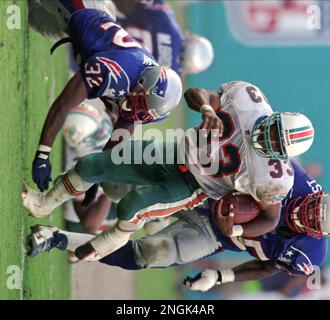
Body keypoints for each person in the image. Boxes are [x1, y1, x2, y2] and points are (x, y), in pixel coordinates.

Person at [22, 81, 314, 261]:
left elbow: (272, 217)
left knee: (131, 206)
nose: (268, 139)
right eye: (274, 130)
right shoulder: (249, 101)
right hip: (174, 151)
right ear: (276, 116)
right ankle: (42, 203)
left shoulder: (274, 177)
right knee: (92, 165)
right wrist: (207, 109)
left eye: (276, 143)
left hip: (191, 186)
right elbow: (194, 93)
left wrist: (236, 229)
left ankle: (105, 244)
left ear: (284, 155)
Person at [26, 161, 329, 293]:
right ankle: (86, 179)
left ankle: (56, 238)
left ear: (316, 232)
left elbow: (268, 267)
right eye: (311, 207)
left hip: (213, 234)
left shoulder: (309, 255)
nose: (303, 214)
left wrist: (220, 276)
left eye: (310, 221)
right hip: (209, 191)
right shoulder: (295, 181)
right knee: (119, 184)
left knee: (149, 255)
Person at [28, 0, 182, 192]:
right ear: (141, 83)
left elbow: (120, 135)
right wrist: (43, 155)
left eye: (144, 112)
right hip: (81, 8)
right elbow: (64, 103)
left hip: (82, 27)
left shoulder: (150, 104)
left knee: (28, 14)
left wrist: (94, 177)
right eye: (141, 104)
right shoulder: (116, 71)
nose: (138, 112)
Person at [113, 0, 214, 76]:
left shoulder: (166, 18)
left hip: (106, 31)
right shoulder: (170, 77)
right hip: (112, 70)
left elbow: (129, 4)